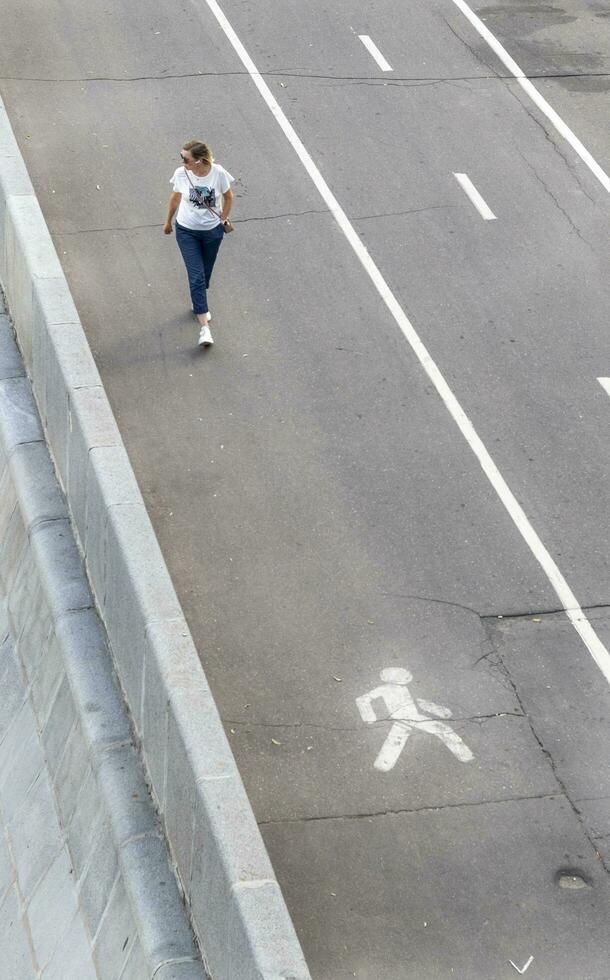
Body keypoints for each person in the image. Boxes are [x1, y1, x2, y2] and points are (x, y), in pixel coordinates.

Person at [164, 140, 234, 347]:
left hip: (212, 232)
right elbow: (175, 199)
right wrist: (168, 221)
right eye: (181, 157)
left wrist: (223, 219)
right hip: (186, 231)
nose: (182, 161)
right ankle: (205, 328)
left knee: (204, 274)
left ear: (199, 160)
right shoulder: (181, 174)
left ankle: (199, 298)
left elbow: (228, 197)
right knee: (196, 276)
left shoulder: (218, 173)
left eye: (185, 158)